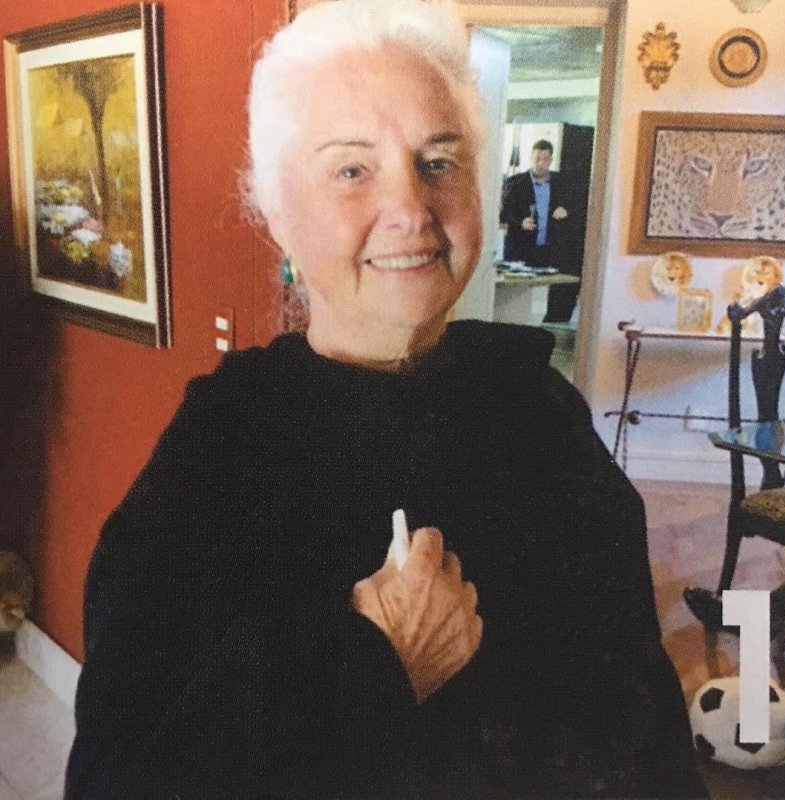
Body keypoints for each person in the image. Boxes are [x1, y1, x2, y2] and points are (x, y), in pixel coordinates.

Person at [65, 1, 706, 797]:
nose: (410, 209)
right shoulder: (223, 452)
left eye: (438, 161)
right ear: (277, 212)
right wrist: (372, 664)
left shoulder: (541, 409)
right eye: (351, 170)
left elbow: (640, 714)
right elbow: (117, 779)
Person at [499, 139, 580, 323]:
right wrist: (520, 222)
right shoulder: (516, 183)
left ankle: (549, 323)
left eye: (544, 159)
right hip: (522, 248)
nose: (540, 164)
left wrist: (565, 210)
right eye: (537, 159)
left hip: (549, 248)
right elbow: (503, 214)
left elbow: (577, 206)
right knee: (519, 297)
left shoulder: (561, 182)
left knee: (553, 292)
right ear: (531, 158)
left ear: (551, 160)